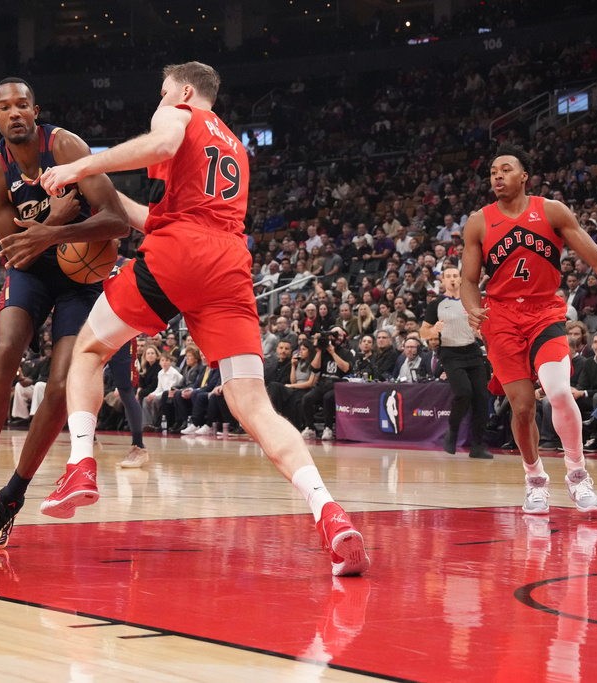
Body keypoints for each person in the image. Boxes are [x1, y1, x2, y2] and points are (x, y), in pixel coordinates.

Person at [29, 62, 369, 576]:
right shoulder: (234, 144)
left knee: (90, 350)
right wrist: (102, 197)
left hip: (181, 255)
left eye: (163, 91)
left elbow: (162, 148)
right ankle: (330, 511)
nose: (159, 101)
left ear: (185, 91)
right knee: (253, 405)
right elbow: (160, 217)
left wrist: (83, 168)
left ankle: (80, 464)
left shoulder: (178, 113)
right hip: (228, 263)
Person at [0, 77, 129, 549]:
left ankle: (12, 498)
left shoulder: (65, 146)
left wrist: (47, 232)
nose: (16, 112)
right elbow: (15, 253)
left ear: (36, 111)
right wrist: (58, 220)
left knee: (62, 386)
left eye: (24, 104)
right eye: (6, 107)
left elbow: (118, 221)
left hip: (82, 280)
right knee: (5, 355)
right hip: (34, 274)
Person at [460, 144, 597, 514]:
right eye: (493, 171)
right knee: (522, 407)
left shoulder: (550, 211)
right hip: (500, 319)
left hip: (545, 312)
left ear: (524, 176)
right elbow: (469, 281)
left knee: (561, 392)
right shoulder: (479, 221)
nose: (497, 176)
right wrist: (471, 308)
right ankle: (535, 481)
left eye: (505, 169)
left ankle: (578, 477)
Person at [420, 264, 493, 459]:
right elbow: (423, 332)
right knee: (463, 393)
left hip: (472, 350)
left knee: (481, 397)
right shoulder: (436, 304)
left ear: (460, 279)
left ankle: (477, 446)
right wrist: (434, 330)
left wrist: (481, 333)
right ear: (443, 281)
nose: (452, 279)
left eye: (455, 276)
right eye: (448, 276)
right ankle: (452, 432)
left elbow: (480, 327)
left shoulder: (471, 300)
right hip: (450, 354)